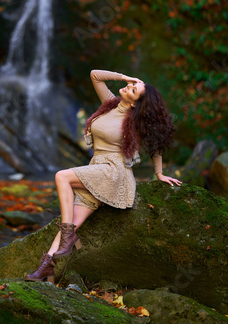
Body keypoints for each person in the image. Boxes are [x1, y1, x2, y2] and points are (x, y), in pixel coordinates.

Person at [24, 69, 182, 283]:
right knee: (71, 219)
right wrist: (124, 77)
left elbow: (157, 145)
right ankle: (46, 270)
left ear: (136, 103)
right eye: (131, 84)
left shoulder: (135, 121)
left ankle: (69, 238)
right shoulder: (110, 103)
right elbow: (94, 75)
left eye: (133, 89)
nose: (129, 87)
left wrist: (159, 173)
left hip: (112, 172)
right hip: (97, 168)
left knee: (62, 177)